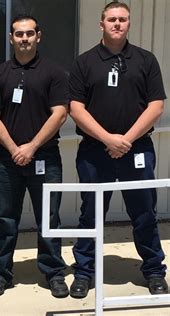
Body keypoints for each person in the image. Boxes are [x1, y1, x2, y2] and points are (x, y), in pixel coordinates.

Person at [69, 2, 168, 298]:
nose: (117, 24)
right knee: (91, 214)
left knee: (144, 213)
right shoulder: (84, 62)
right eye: (112, 19)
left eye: (123, 19)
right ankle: (84, 272)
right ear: (101, 24)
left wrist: (125, 140)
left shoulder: (145, 60)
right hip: (94, 152)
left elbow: (156, 105)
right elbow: (76, 108)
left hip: (137, 150)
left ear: (129, 24)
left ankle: (153, 271)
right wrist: (108, 140)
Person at [0, 14, 69, 299]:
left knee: (49, 217)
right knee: (6, 219)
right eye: (18, 34)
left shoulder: (54, 72)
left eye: (29, 33)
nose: (24, 38)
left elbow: (60, 113)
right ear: (11, 38)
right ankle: (2, 273)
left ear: (38, 36)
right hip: (6, 160)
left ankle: (54, 272)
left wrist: (31, 147)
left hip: (45, 156)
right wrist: (14, 148)